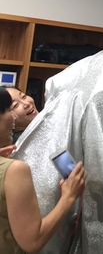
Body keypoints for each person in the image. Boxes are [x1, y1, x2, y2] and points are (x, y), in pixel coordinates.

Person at [0, 87, 86, 254]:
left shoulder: (60, 132)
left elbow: (72, 174)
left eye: (24, 96)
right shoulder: (14, 158)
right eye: (13, 107)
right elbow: (33, 241)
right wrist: (69, 196)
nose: (25, 104)